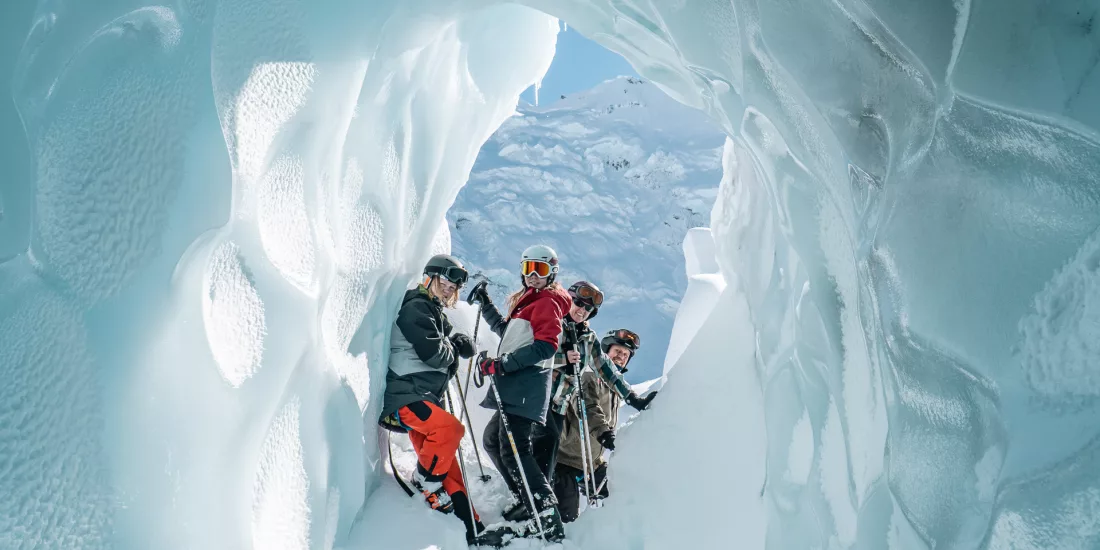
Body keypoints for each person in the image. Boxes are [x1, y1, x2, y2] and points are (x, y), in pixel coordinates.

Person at [466, 244, 572, 544]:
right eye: (528, 269)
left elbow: (547, 346)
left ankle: (545, 512)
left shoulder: (548, 302)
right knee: (493, 441)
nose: (533, 276)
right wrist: (486, 305)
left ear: (552, 272)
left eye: (539, 270)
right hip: (515, 385)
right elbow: (509, 333)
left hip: (526, 385)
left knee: (514, 450)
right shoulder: (530, 302)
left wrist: (502, 364)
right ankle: (527, 499)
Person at [377, 254, 483, 544]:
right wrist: (454, 348)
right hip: (405, 397)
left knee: (447, 465)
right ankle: (424, 480)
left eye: (456, 284)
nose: (451, 287)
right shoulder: (416, 306)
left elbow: (446, 341)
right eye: (447, 279)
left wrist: (458, 341)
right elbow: (434, 353)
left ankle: (471, 529)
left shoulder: (433, 310)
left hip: (421, 397)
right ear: (431, 276)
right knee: (450, 430)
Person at [500, 280, 604, 524]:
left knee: (544, 453)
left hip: (557, 404)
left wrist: (632, 397)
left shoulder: (588, 337)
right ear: (569, 300)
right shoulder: (554, 321)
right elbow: (533, 348)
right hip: (535, 396)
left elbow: (605, 368)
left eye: (588, 309)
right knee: (500, 443)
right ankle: (526, 498)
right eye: (578, 303)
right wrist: (562, 359)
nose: (581, 310)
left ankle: (534, 504)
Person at [553, 327, 658, 523]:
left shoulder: (615, 387)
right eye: (617, 351)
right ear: (605, 351)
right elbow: (587, 407)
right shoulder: (587, 375)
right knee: (567, 519)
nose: (621, 357)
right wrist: (604, 433)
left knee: (622, 495)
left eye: (626, 355)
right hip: (565, 459)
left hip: (592, 462)